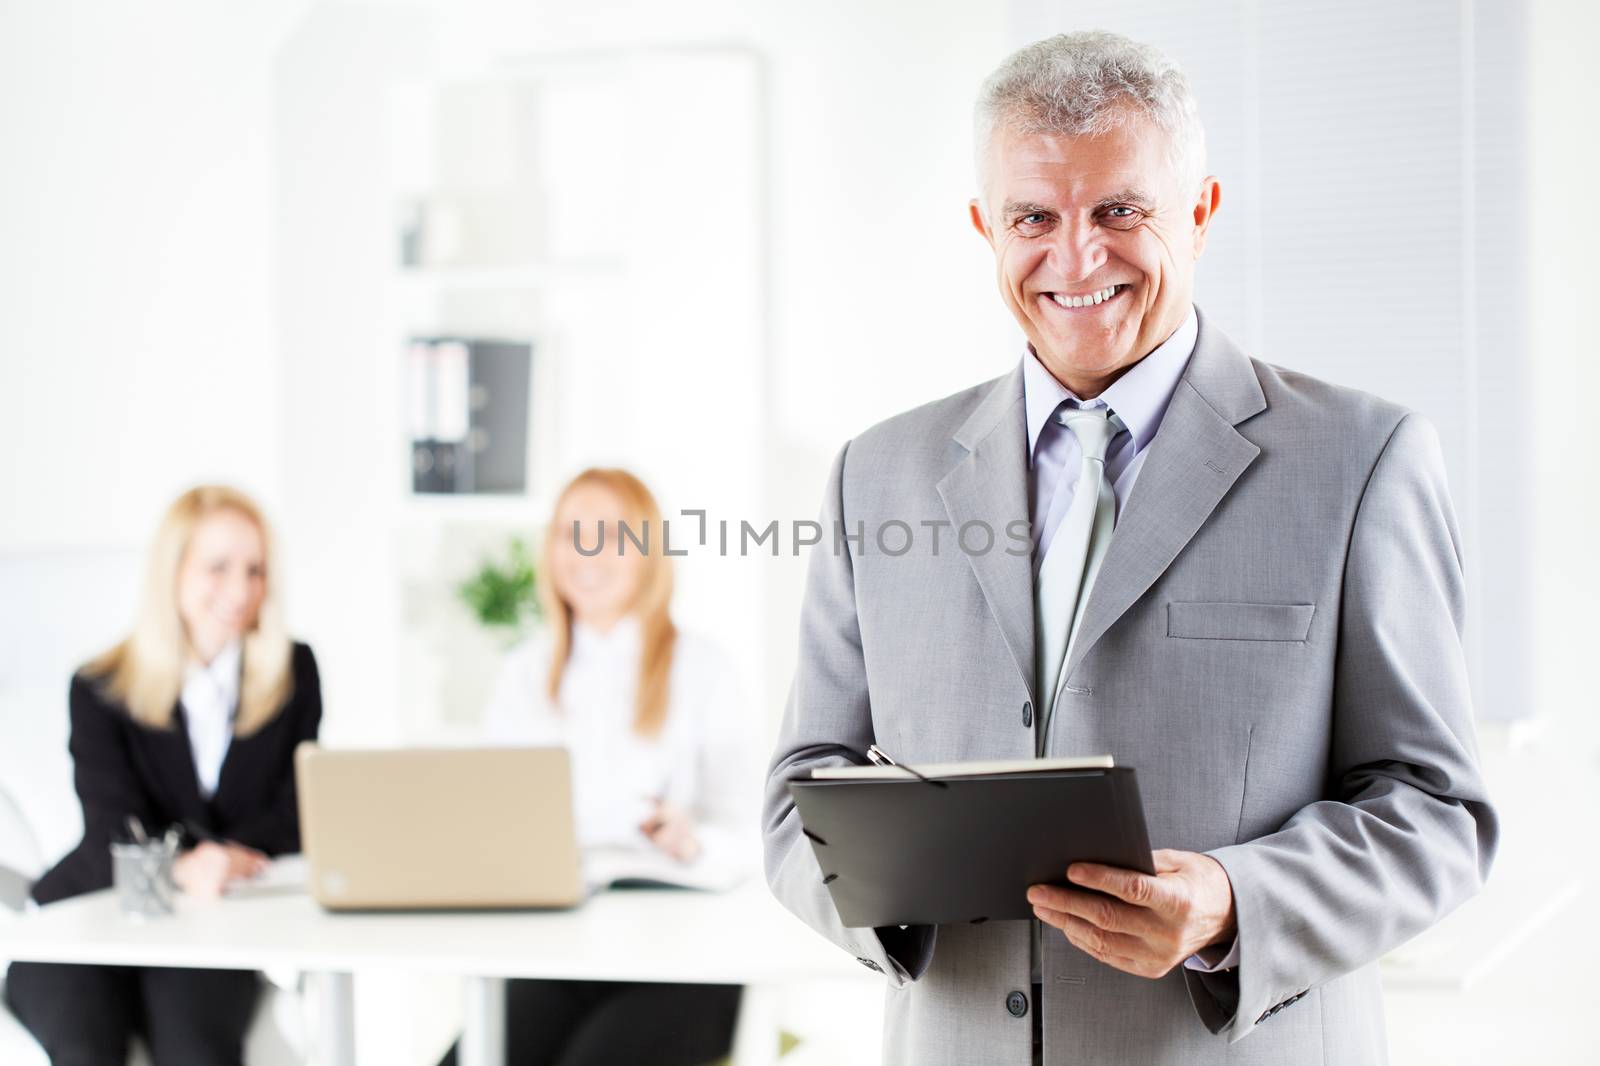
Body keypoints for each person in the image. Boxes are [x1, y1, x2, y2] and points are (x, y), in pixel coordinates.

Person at [762, 31, 1497, 1066]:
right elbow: (803, 786)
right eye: (1033, 217)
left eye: (1119, 210)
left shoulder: (1360, 460)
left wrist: (1236, 903)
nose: (1075, 258)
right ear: (985, 227)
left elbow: (1438, 809)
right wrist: (888, 893)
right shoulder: (875, 472)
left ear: (1199, 214)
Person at [438, 468, 758, 1066]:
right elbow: (488, 819)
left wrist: (692, 842)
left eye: (609, 533)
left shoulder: (704, 670)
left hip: (682, 956)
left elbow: (754, 835)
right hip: (559, 949)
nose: (585, 552)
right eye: (570, 533)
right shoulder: (524, 675)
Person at [5, 485, 322, 1065]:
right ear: (172, 571)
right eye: (218, 567)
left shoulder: (291, 675)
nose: (240, 590)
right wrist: (192, 863)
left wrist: (220, 864)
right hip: (88, 909)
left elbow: (295, 816)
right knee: (85, 1047)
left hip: (204, 927)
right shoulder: (100, 687)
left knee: (196, 1047)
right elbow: (111, 826)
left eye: (255, 570)